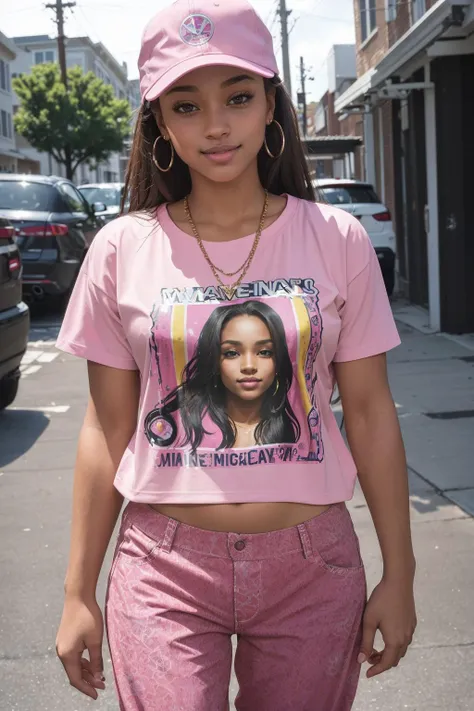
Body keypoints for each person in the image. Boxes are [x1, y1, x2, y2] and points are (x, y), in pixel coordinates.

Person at [55, 1, 417, 709]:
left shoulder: (338, 239)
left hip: (314, 567)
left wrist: (399, 571)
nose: (216, 125)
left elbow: (371, 413)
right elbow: (105, 429)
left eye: (239, 97)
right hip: (163, 569)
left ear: (271, 106)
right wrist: (77, 591)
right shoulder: (121, 249)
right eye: (186, 105)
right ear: (159, 122)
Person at [146, 299, 300, 450]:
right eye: (232, 353)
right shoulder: (181, 426)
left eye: (264, 352)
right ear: (214, 361)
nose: (248, 366)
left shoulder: (294, 429)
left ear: (279, 359)